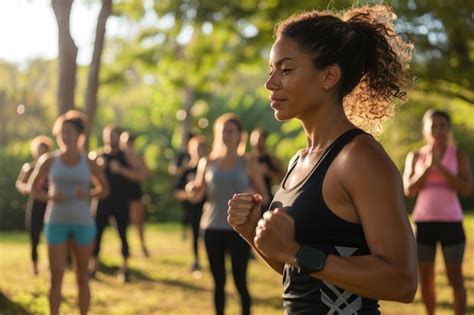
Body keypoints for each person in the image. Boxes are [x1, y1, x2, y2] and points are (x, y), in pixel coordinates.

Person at [227, 4, 418, 314]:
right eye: (271, 70)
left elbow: (402, 280)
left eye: (286, 70)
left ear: (328, 76)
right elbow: (303, 272)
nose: (270, 83)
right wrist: (253, 231)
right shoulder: (298, 161)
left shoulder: (360, 158)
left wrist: (294, 250)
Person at [27, 110, 108, 315]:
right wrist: (50, 198)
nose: (65, 136)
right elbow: (32, 187)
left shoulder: (88, 162)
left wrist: (88, 193)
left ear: (79, 135)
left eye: (69, 132)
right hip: (56, 221)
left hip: (83, 222)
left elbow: (104, 189)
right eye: (62, 132)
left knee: (82, 276)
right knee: (56, 277)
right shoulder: (49, 160)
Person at [190, 113, 269, 315]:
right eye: (223, 131)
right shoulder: (207, 162)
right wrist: (192, 188)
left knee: (240, 280)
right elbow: (198, 195)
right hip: (211, 227)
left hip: (239, 230)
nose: (227, 135)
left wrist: (252, 196)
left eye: (231, 131)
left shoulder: (248, 162)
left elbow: (265, 196)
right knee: (218, 282)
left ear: (239, 135)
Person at [403, 109, 471, 315]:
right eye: (433, 125)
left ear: (448, 129)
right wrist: (427, 168)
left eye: (442, 125)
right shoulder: (415, 156)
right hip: (424, 225)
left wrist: (440, 167)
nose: (438, 130)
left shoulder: (458, 155)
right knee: (426, 279)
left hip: (452, 223)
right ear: (425, 130)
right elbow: (408, 190)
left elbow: (466, 188)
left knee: (455, 278)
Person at [90, 124, 141, 282]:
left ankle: (125, 269)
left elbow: (140, 174)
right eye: (108, 134)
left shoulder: (126, 156)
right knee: (96, 235)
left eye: (114, 134)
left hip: (120, 201)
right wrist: (98, 173)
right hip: (102, 201)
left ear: (119, 137)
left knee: (123, 234)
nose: (110, 137)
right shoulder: (97, 156)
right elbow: (87, 175)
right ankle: (93, 267)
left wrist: (121, 170)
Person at [16, 135, 53, 275]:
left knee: (51, 236)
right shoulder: (29, 167)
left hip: (50, 204)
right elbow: (19, 183)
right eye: (38, 149)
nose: (41, 152)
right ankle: (35, 267)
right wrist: (26, 188)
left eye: (43, 149)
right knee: (34, 235)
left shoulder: (52, 167)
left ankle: (51, 264)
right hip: (36, 204)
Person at [174, 135, 208, 273]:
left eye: (201, 148)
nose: (199, 151)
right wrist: (190, 195)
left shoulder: (212, 168)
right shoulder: (187, 170)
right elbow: (176, 191)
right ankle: (196, 260)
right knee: (195, 235)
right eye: (196, 148)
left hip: (209, 208)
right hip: (193, 208)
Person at [120, 131, 151, 257]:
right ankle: (125, 247)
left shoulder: (138, 157)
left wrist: (127, 171)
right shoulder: (118, 156)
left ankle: (142, 246)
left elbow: (144, 174)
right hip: (120, 193)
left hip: (134, 192)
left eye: (130, 141)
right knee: (122, 222)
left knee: (138, 221)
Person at [249, 128, 285, 212]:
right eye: (255, 138)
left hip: (267, 202)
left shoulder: (271, 160)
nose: (257, 141)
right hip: (251, 200)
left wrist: (267, 172)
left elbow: (284, 180)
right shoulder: (248, 160)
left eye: (260, 138)